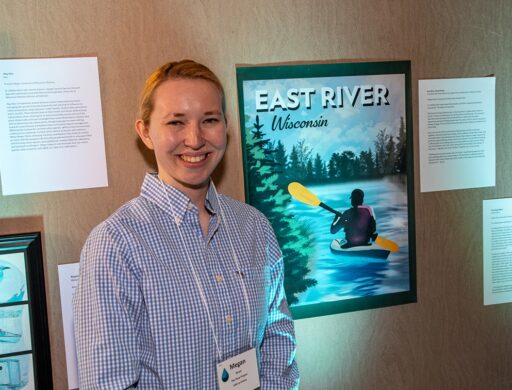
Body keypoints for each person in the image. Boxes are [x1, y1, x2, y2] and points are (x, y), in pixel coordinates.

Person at [73, 60, 299, 389]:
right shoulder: (115, 244)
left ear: (225, 126)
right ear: (146, 132)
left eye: (209, 120)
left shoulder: (254, 227)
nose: (194, 139)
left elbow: (278, 338)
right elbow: (109, 383)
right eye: (175, 122)